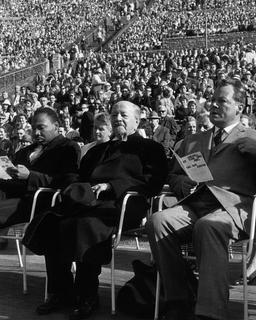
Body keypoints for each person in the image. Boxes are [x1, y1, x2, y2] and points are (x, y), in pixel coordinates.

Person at [23, 101, 168, 319]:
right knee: (53, 221)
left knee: (84, 225)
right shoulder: (97, 150)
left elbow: (153, 182)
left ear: (137, 120)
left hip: (122, 202)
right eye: (114, 114)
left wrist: (111, 186)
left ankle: (87, 294)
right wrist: (69, 185)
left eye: (124, 115)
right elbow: (79, 176)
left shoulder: (151, 148)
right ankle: (60, 291)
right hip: (88, 200)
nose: (118, 118)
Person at [147, 78, 256, 320]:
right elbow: (173, 175)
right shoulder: (194, 140)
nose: (214, 105)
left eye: (222, 101)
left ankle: (210, 312)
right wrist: (182, 183)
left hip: (232, 209)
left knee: (208, 226)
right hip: (194, 204)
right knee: (157, 221)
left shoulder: (251, 137)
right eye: (213, 100)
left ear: (240, 106)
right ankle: (179, 299)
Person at [0, 107, 80, 228]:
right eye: (33, 129)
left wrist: (29, 176)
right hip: (14, 198)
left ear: (56, 126)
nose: (36, 133)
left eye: (41, 128)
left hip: (40, 202)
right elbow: (11, 182)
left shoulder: (68, 148)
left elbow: (67, 181)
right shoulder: (24, 152)